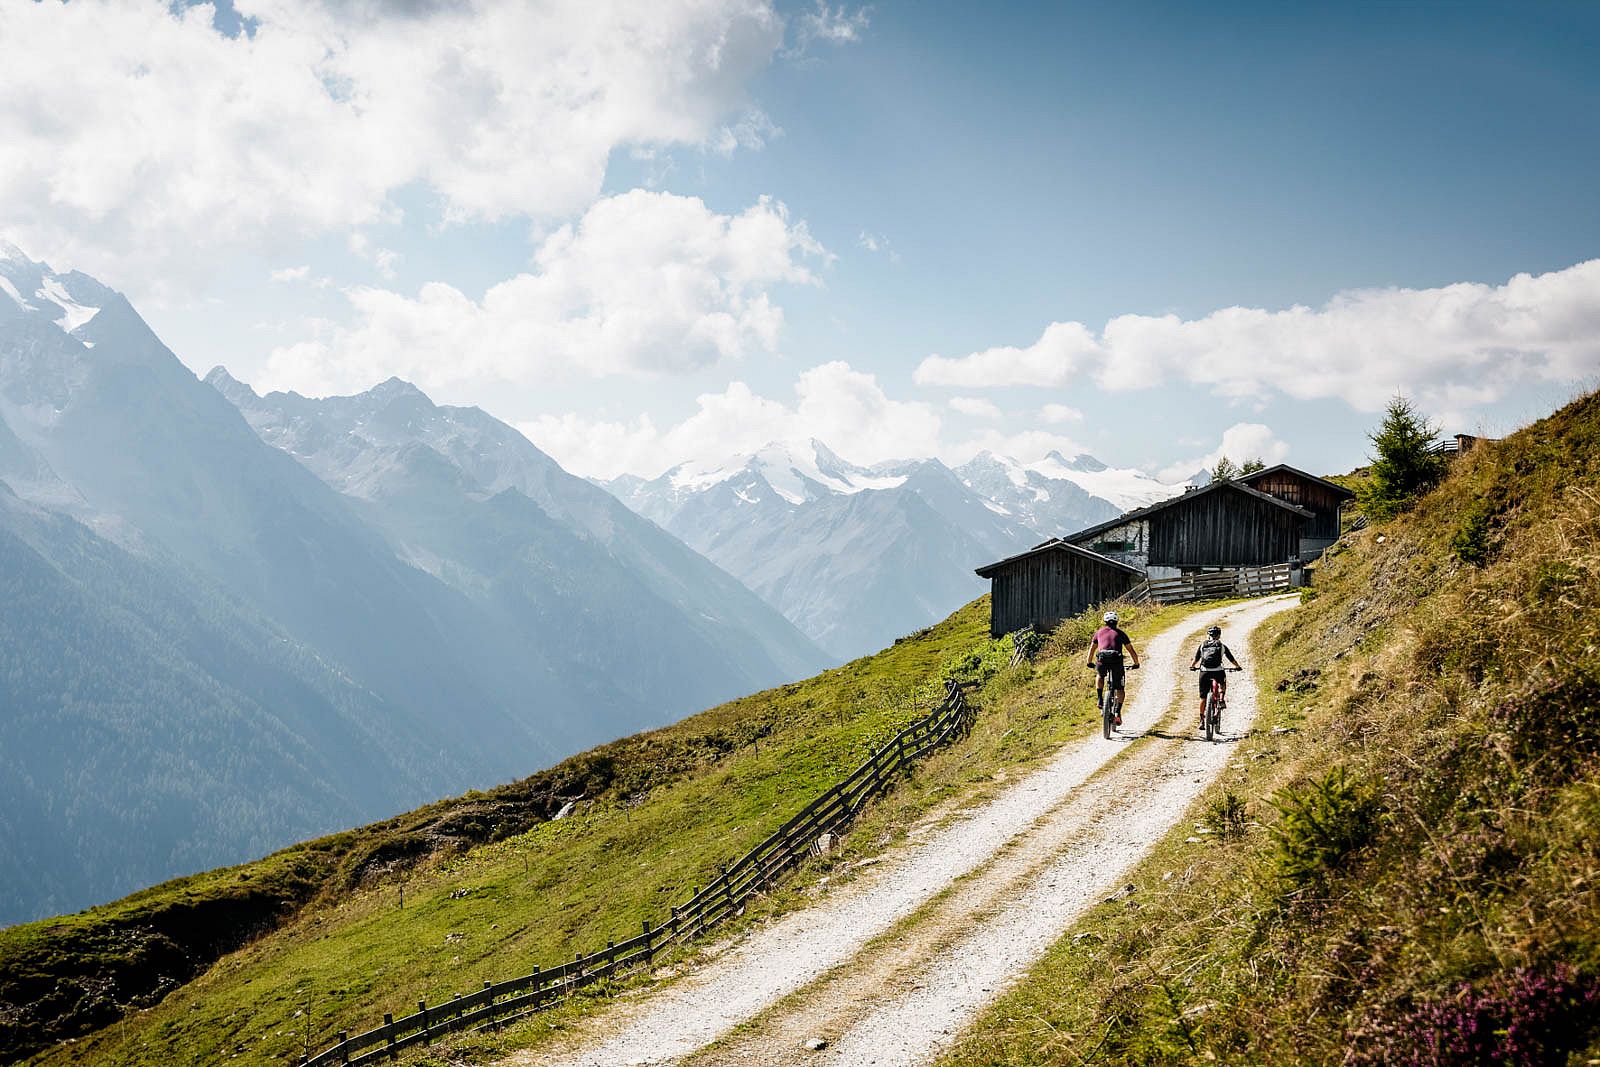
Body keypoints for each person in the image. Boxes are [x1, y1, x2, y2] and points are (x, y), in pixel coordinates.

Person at [1086, 610, 1140, 726]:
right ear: (1117, 621)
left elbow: (1092, 649)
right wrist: (1136, 663)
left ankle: (1100, 698)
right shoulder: (1120, 633)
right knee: (1120, 688)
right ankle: (1117, 712)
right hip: (1116, 661)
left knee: (1100, 675)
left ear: (1105, 621)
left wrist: (1089, 662)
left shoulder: (1099, 632)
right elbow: (1131, 650)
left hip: (1102, 660)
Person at [1189, 624, 1241, 724]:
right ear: (1219, 635)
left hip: (1204, 672)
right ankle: (1221, 699)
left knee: (1203, 697)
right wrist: (1237, 667)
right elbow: (1231, 659)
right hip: (1218, 671)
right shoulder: (1221, 646)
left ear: (1208, 635)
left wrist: (1192, 667)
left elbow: (1196, 659)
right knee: (1222, 683)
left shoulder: (1203, 645)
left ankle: (1202, 720)